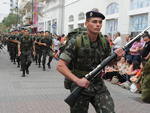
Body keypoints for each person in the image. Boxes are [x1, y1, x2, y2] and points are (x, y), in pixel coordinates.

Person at [57, 8, 124, 113]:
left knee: (108, 111)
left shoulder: (104, 42)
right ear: (86, 23)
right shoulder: (76, 41)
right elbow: (60, 66)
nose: (98, 24)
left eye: (100, 22)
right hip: (80, 84)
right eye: (94, 22)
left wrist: (117, 58)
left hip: (98, 84)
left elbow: (108, 62)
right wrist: (78, 81)